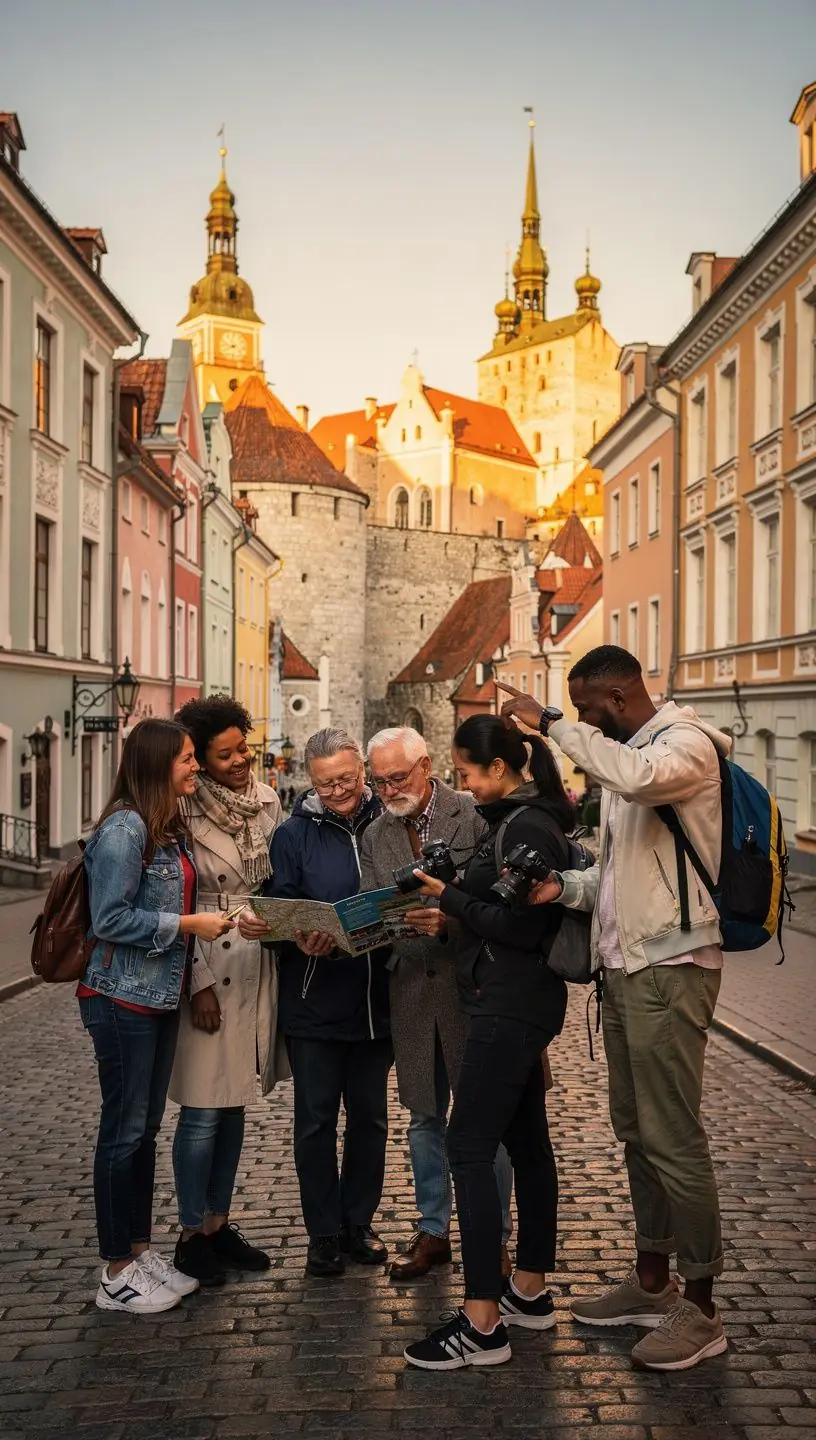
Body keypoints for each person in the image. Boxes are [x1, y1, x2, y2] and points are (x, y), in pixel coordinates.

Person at [498, 644, 729, 1372]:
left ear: (619, 699)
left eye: (590, 711)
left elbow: (633, 774)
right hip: (631, 967)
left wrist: (552, 722)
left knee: (673, 1137)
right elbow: (616, 875)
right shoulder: (633, 762)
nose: (587, 725)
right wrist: (562, 889)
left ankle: (703, 1308)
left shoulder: (683, 747)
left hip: (671, 968)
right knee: (636, 1132)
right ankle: (652, 1280)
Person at [403, 714, 573, 1370]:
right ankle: (528, 1291)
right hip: (516, 1003)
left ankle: (481, 1322)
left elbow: (521, 929)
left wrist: (449, 899)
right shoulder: (519, 818)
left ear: (499, 768)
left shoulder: (525, 826)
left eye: (467, 772)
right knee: (527, 1144)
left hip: (509, 1005)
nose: (464, 783)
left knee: (468, 1148)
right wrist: (453, 899)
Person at [77, 719, 234, 1314]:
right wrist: (188, 925)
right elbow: (108, 919)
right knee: (122, 1134)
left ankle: (140, 1254)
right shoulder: (125, 828)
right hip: (121, 999)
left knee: (141, 1133)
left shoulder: (164, 825)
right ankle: (116, 1270)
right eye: (187, 758)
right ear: (156, 764)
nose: (196, 766)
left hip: (158, 996)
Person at [360, 727, 514, 1282]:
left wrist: (451, 921)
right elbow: (374, 907)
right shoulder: (375, 833)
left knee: (485, 1122)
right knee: (424, 1119)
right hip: (411, 990)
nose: (388, 791)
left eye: (397, 778)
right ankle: (433, 1230)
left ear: (425, 766)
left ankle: (493, 1237)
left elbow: (498, 901)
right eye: (379, 782)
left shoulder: (472, 815)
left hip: (468, 989)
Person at [240, 728, 392, 1278]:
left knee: (370, 1120)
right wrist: (294, 933)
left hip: (379, 1000)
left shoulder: (389, 820)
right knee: (315, 1122)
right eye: (327, 784)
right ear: (311, 781)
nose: (339, 791)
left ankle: (359, 1223)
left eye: (347, 778)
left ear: (363, 770)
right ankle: (323, 1233)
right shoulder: (293, 834)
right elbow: (278, 906)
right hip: (314, 999)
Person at [169, 696, 286, 1287]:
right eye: (226, 754)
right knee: (202, 1108)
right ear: (202, 758)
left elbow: (278, 878)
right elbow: (179, 899)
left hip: (256, 955)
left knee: (235, 1101)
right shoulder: (182, 808)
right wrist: (199, 985)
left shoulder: (267, 800)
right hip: (209, 957)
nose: (241, 761)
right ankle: (190, 1233)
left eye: (244, 748)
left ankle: (218, 1224)